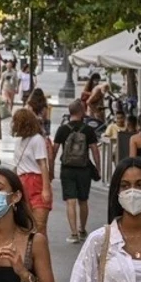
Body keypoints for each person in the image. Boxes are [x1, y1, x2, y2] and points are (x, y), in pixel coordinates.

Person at [55, 98, 104, 243]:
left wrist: (51, 168)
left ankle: (73, 233)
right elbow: (95, 150)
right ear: (81, 112)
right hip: (84, 169)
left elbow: (54, 149)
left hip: (67, 169)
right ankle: (82, 229)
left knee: (70, 201)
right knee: (83, 200)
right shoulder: (88, 130)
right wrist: (98, 168)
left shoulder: (63, 129)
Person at [11, 107, 52, 219]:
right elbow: (17, 165)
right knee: (26, 224)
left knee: (39, 224)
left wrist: (46, 189)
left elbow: (43, 164)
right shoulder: (18, 141)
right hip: (21, 182)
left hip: (35, 182)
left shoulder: (37, 139)